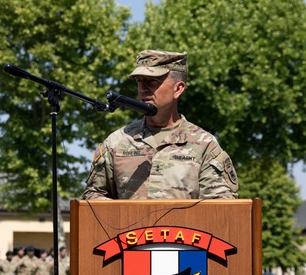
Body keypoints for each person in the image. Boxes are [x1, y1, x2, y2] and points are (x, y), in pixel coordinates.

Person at [81, 50, 238, 201]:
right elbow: (93, 196)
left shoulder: (205, 145)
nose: (143, 89)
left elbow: (221, 206)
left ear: (178, 89)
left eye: (152, 81)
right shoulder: (116, 142)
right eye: (140, 81)